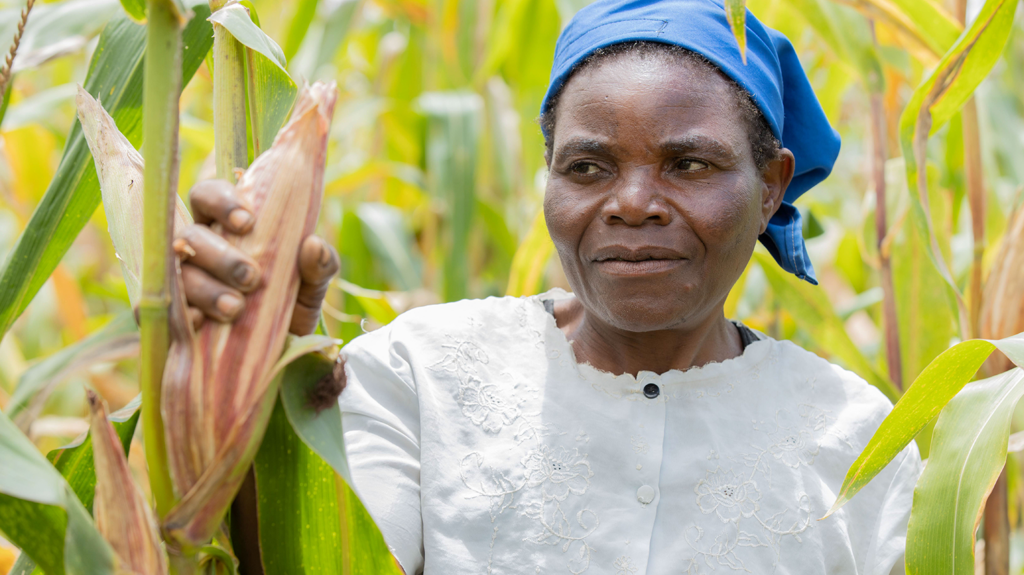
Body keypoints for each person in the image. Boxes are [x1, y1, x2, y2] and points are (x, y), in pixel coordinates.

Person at [180, 0, 921, 573]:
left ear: (770, 185)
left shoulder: (856, 440)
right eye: (588, 168)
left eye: (688, 164)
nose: (632, 202)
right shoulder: (421, 376)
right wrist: (250, 366)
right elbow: (318, 553)